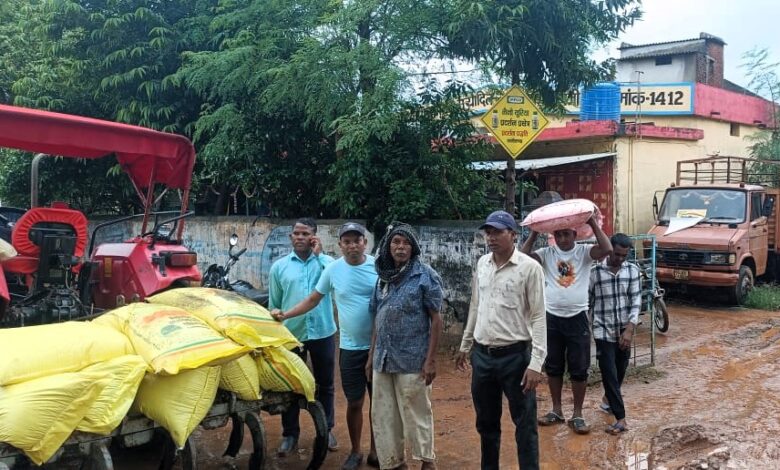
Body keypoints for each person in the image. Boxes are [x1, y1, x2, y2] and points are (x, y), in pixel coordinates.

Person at [272, 222, 379, 469]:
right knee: (351, 402)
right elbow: (311, 300)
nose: (352, 245)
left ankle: (374, 450)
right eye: (347, 241)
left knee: (374, 402)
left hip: (369, 345)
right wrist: (285, 315)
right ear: (341, 244)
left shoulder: (374, 266)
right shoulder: (330, 269)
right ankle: (351, 450)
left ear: (365, 242)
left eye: (357, 240)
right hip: (341, 346)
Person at [455, 210, 547, 470]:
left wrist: (536, 363)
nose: (491, 237)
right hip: (483, 357)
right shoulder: (482, 264)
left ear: (513, 235)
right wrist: (466, 343)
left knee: (525, 424)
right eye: (488, 232)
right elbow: (476, 304)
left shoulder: (530, 268)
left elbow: (539, 317)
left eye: (498, 232)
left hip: (516, 358)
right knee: (486, 423)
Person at [521, 215, 612, 434]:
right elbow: (522, 257)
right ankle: (557, 410)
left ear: (574, 234)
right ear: (553, 236)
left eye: (566, 233)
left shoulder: (584, 252)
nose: (562, 238)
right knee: (553, 367)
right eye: (558, 234)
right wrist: (534, 231)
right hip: (551, 317)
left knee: (579, 369)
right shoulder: (547, 253)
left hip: (577, 317)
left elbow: (607, 249)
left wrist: (591, 223)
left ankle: (578, 415)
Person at [367, 223, 443, 470]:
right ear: (388, 247)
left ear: (413, 247)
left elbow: (436, 319)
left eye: (406, 243)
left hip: (412, 358)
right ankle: (394, 461)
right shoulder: (382, 277)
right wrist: (371, 356)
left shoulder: (425, 275)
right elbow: (379, 316)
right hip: (383, 358)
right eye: (395, 242)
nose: (400, 247)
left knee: (416, 412)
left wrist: (430, 360)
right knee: (384, 415)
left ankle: (426, 460)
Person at [268, 218, 338, 456]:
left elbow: (335, 283)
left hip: (323, 331)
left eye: (304, 233)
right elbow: (274, 304)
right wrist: (276, 318)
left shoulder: (328, 263)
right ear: (291, 237)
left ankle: (326, 430)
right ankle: (290, 435)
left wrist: (319, 256)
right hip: (291, 334)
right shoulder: (279, 267)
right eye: (295, 233)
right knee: (291, 385)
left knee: (325, 384)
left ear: (314, 237)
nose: (299, 237)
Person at [589, 233, 641, 435]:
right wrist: (586, 328)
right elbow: (588, 301)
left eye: (624, 255)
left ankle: (608, 400)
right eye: (617, 254)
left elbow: (635, 301)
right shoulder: (595, 272)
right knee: (609, 372)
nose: (619, 259)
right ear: (609, 249)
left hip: (624, 329)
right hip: (603, 330)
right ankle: (621, 418)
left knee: (620, 369)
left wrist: (629, 329)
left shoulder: (632, 271)